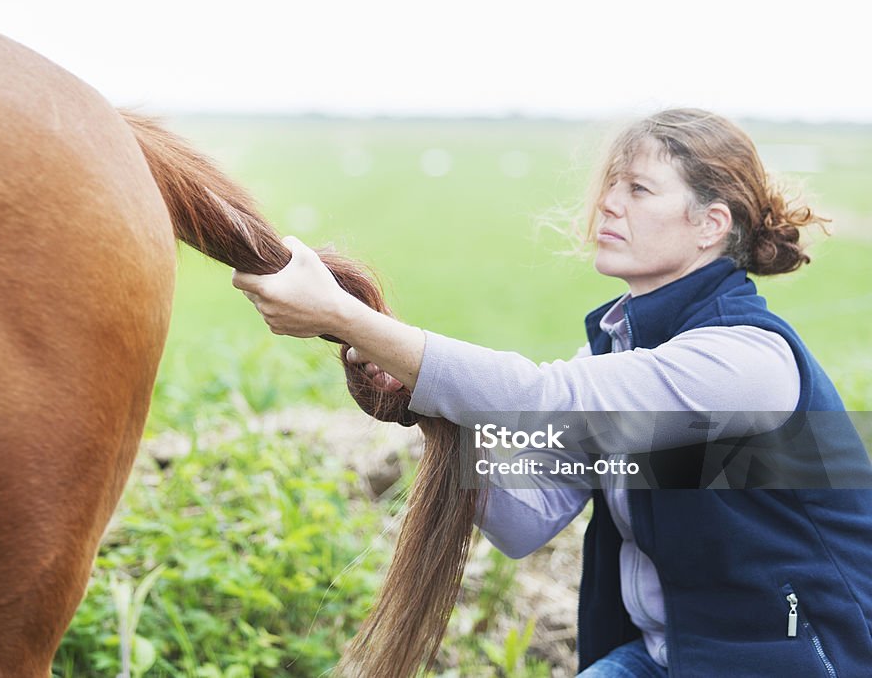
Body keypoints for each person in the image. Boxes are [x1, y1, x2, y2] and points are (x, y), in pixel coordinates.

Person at [231, 108, 872, 676]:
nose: (608, 205)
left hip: (783, 659)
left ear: (709, 225)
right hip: (662, 655)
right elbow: (526, 516)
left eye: (639, 189)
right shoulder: (621, 348)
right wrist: (424, 406)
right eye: (611, 186)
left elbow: (542, 399)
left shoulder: (746, 361)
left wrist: (348, 319)